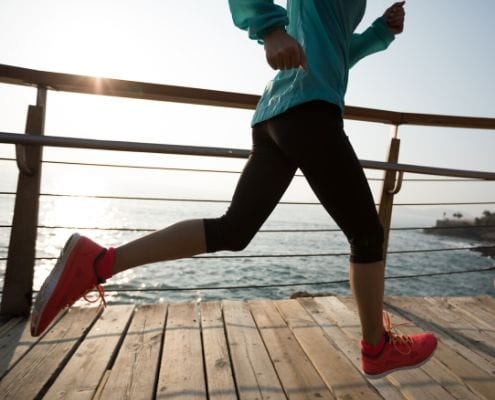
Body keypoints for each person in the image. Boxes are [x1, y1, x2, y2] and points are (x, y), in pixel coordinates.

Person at [31, 0, 437, 378]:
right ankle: (376, 347)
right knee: (366, 233)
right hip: (308, 108)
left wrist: (381, 32)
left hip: (279, 113)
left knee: (233, 231)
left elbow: (336, 51)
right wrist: (270, 28)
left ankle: (98, 262)